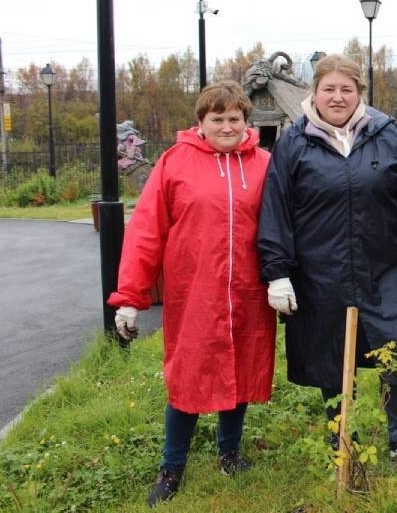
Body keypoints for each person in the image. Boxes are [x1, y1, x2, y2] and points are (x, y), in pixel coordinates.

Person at [257, 54, 397, 465]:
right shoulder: (294, 141)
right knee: (331, 353)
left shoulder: (385, 133)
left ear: (359, 93)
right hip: (320, 272)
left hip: (382, 269)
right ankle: (343, 434)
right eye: (329, 89)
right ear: (315, 93)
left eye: (346, 89)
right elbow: (276, 210)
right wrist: (277, 273)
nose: (337, 97)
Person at [108, 81, 275, 507]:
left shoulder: (264, 165)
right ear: (201, 122)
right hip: (195, 292)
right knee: (188, 376)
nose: (226, 126)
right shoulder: (174, 163)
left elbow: (283, 227)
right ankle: (172, 467)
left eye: (234, 119)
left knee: (239, 371)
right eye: (216, 119)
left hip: (250, 292)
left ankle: (230, 453)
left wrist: (284, 278)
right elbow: (147, 231)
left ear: (245, 121)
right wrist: (131, 295)